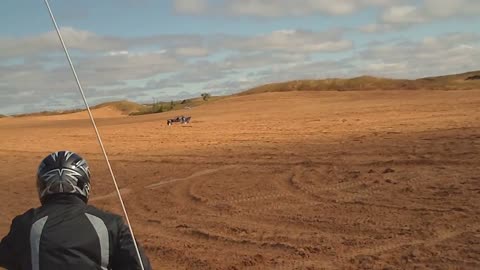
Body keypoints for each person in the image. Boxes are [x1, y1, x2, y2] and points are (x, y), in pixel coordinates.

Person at [0, 151, 151, 270]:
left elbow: (7, 259)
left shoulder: (25, 224)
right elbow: (140, 267)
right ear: (84, 184)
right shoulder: (110, 224)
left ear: (42, 185)